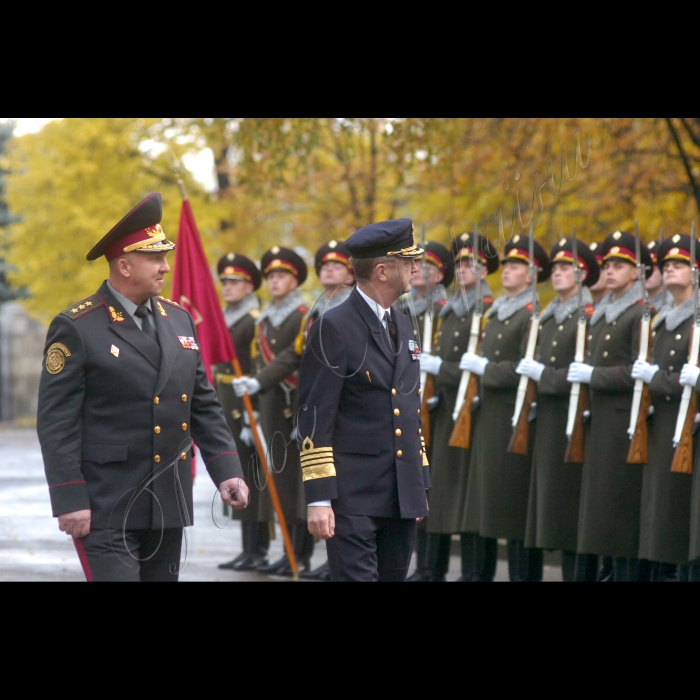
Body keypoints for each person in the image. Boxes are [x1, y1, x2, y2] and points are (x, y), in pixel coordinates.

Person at [37, 193, 248, 581]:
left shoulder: (180, 320)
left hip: (167, 501)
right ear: (125, 265)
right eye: (155, 258)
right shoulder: (78, 326)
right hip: (105, 505)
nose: (165, 268)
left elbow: (203, 405)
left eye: (164, 257)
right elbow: (56, 423)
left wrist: (227, 469)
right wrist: (69, 497)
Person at [297, 218, 430, 581]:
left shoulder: (402, 324)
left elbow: (407, 409)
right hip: (351, 497)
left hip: (400, 494)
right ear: (383, 271)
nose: (416, 268)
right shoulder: (334, 326)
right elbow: (314, 417)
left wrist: (419, 482)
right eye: (408, 262)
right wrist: (319, 498)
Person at [460, 233, 551, 582]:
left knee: (514, 507)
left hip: (514, 417)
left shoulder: (532, 315)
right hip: (490, 415)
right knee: (487, 503)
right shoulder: (498, 311)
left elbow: (527, 369)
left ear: (532, 274)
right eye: (508, 265)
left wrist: (488, 371)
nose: (508, 271)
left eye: (517, 266)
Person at [569, 230, 652, 582]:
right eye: (609, 265)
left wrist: (595, 376)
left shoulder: (640, 312)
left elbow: (638, 371)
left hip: (623, 424)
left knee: (620, 512)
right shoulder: (604, 312)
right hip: (600, 421)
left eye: (621, 265)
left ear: (636, 272)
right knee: (602, 512)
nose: (611, 270)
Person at [421, 233, 499, 582]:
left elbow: (484, 363)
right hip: (446, 406)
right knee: (439, 491)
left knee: (472, 497)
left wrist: (442, 371)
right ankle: (430, 569)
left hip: (474, 409)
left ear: (484, 270)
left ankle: (476, 572)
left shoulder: (487, 308)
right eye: (461, 263)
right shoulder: (452, 308)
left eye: (472, 264)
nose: (464, 269)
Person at [519, 237, 598, 581]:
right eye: (556, 268)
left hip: (572, 419)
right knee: (549, 510)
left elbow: (582, 373)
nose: (558, 273)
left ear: (582, 274)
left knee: (571, 510)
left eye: (567, 268)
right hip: (548, 419)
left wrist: (545, 376)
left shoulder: (588, 315)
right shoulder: (550, 316)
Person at [232, 246, 314, 577]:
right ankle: (286, 553)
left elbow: (301, 362)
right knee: (277, 484)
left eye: (282, 276)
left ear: (295, 280)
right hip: (268, 408)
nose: (275, 281)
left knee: (296, 487)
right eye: (272, 276)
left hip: (292, 408)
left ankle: (300, 556)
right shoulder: (266, 318)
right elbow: (256, 362)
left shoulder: (303, 315)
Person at [634, 234, 697, 581]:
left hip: (686, 426)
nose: (670, 269)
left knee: (679, 519)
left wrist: (657, 378)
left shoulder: (696, 319)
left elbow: (683, 380)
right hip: (660, 428)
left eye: (679, 264)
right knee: (660, 518)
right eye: (666, 265)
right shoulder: (662, 319)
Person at [298, 239, 355, 581]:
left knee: (339, 493)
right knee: (318, 493)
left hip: (344, 417)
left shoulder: (349, 312)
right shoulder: (319, 311)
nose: (329, 271)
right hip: (316, 411)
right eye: (324, 266)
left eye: (337, 266)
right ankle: (328, 559)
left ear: (350, 273)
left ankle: (334, 560)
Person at [397, 240, 454, 582]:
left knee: (435, 488)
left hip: (441, 408)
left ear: (439, 273)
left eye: (426, 265)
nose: (418, 270)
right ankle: (419, 564)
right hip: (408, 406)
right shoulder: (407, 308)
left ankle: (433, 566)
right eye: (414, 264)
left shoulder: (447, 308)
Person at [214, 253, 274, 572]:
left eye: (234, 282)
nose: (227, 287)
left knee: (252, 476)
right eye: (224, 282)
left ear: (250, 286)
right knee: (236, 476)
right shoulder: (227, 317)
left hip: (247, 406)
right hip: (226, 401)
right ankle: (246, 548)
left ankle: (258, 549)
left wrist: (259, 417)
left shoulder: (254, 319)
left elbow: (259, 367)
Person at [646, 238, 669, 311]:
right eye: (645, 268)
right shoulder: (637, 306)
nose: (647, 273)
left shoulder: (670, 305)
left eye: (653, 268)